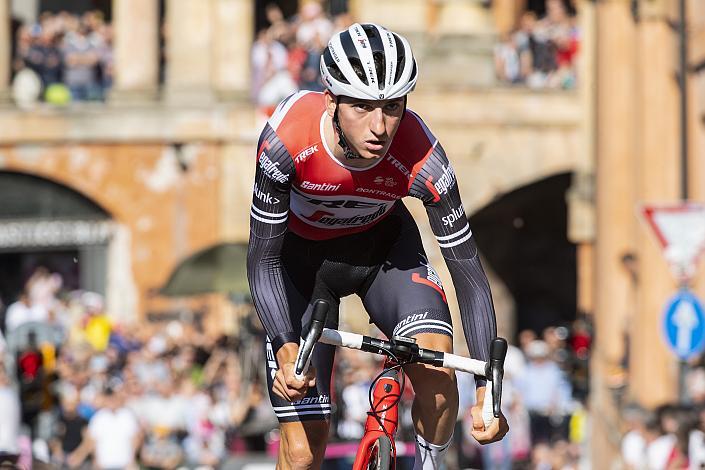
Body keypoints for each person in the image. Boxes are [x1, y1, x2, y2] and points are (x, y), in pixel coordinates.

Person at [247, 22, 508, 470]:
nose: (379, 126)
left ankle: (428, 463)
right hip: (298, 269)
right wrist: (286, 344)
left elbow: (466, 268)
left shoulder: (423, 155)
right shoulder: (286, 140)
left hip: (382, 255)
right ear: (332, 100)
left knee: (439, 380)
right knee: (303, 450)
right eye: (363, 107)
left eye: (391, 108)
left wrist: (487, 384)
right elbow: (262, 258)